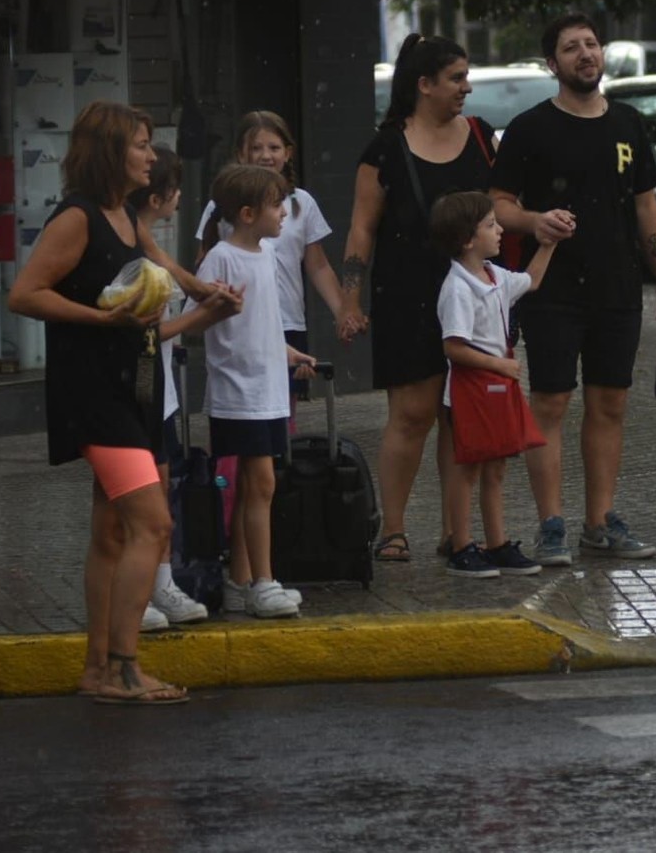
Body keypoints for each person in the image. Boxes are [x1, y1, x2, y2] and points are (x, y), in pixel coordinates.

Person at [9, 100, 240, 706]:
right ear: (112, 151)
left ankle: (97, 671)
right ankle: (126, 667)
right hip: (95, 393)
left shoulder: (123, 217)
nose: (151, 156)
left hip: (133, 386)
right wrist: (99, 317)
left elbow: (159, 274)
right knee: (153, 524)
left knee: (112, 533)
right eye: (141, 144)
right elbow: (25, 294)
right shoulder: (78, 218)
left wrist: (204, 300)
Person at [490, 13, 656, 566]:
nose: (585, 54)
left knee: (611, 403)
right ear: (553, 63)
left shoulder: (627, 122)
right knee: (550, 401)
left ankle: (600, 522)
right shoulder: (530, 128)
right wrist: (533, 222)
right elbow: (498, 201)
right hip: (550, 286)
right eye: (571, 48)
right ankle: (551, 524)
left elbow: (646, 205)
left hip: (617, 284)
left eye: (592, 44)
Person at [339, 34, 503, 564]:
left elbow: (499, 212)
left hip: (474, 298)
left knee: (464, 418)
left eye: (466, 75)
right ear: (424, 85)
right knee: (412, 414)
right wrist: (350, 299)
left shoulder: (480, 136)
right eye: (456, 78)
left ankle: (458, 533)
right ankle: (394, 528)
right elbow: (362, 229)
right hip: (407, 295)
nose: (467, 87)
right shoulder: (385, 148)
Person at [195, 163, 316, 617]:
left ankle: (241, 581)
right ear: (247, 213)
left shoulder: (265, 256)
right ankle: (264, 582)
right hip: (238, 393)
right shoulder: (221, 259)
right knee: (261, 483)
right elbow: (199, 314)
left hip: (266, 390)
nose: (284, 212)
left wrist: (288, 354)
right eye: (275, 203)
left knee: (253, 487)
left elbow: (262, 324)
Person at [195, 111, 359, 413]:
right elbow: (204, 262)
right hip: (238, 324)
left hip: (287, 320)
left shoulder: (300, 203)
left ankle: (278, 458)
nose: (265, 155)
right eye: (256, 148)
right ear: (240, 154)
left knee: (282, 408)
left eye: (273, 147)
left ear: (288, 152)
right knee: (239, 406)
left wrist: (342, 311)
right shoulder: (223, 205)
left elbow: (318, 265)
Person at [429, 191, 556, 578]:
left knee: (496, 466)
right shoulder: (458, 288)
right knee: (467, 468)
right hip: (472, 389)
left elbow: (530, 281)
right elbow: (453, 346)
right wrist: (498, 364)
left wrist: (548, 244)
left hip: (496, 386)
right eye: (490, 225)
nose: (500, 231)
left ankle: (497, 543)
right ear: (468, 239)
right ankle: (462, 544)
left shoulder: (495, 275)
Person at [128, 143, 211, 627]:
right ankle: (139, 592)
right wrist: (205, 313)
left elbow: (166, 262)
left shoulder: (145, 239)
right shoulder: (135, 248)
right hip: (142, 383)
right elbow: (146, 332)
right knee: (145, 496)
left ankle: (160, 586)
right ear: (161, 198)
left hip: (160, 386)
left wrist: (200, 293)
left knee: (161, 490)